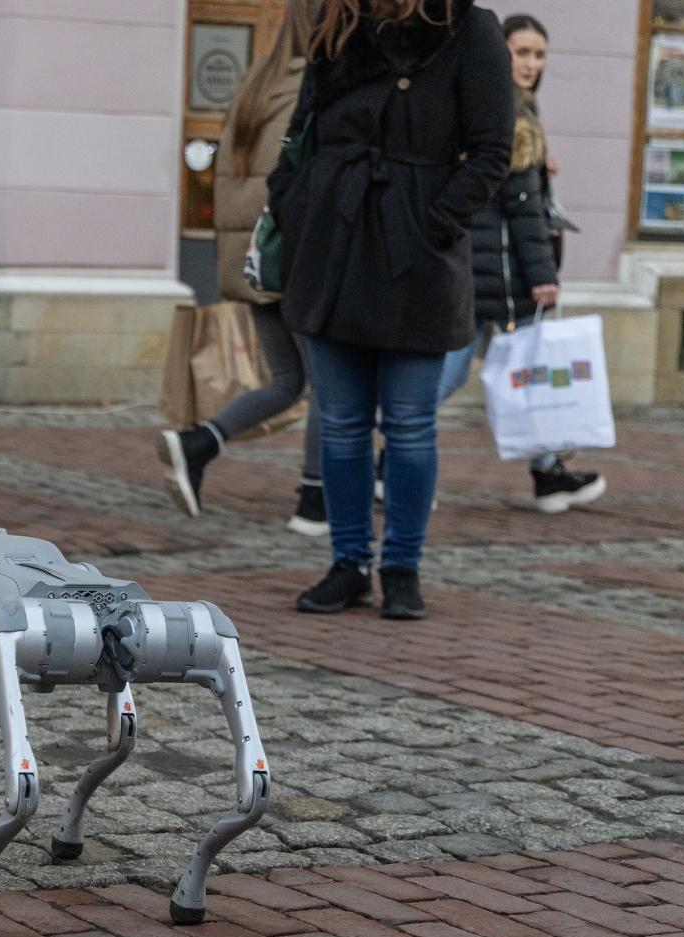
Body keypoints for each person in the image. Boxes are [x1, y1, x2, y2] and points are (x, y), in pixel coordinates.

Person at [270, 0, 513, 620]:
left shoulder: (465, 26)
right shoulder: (337, 23)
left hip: (416, 257)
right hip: (333, 243)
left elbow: (492, 149)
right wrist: (295, 210)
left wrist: (431, 224)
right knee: (343, 424)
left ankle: (402, 567)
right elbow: (302, 133)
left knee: (409, 425)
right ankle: (349, 562)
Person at [157, 0, 329, 536]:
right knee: (325, 385)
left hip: (254, 259)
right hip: (292, 257)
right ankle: (315, 501)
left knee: (288, 381)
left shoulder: (257, 84)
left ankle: (197, 443)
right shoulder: (313, 87)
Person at [438, 13, 607, 514]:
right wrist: (543, 278)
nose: (531, 64)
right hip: (498, 275)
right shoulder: (507, 116)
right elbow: (520, 208)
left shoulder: (503, 108)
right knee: (457, 378)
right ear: (499, 53)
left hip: (483, 270)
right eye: (521, 52)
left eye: (539, 55)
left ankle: (548, 474)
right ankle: (390, 463)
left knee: (524, 377)